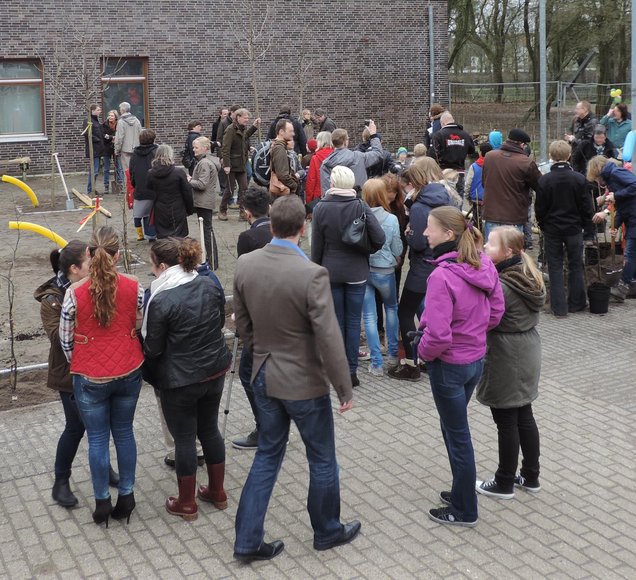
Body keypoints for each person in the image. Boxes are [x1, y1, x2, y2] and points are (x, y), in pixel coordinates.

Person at [233, 195, 359, 562]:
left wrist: (260, 353)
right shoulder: (312, 274)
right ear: (304, 228)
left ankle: (246, 541)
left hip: (263, 374)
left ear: (270, 226)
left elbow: (243, 325)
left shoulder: (245, 264)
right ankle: (327, 530)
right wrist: (343, 387)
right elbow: (329, 336)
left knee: (268, 455)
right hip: (302, 381)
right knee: (321, 457)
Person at [417, 206, 505, 527]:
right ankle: (460, 491)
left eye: (430, 228)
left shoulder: (442, 276)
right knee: (452, 428)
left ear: (448, 235)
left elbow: (438, 335)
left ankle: (465, 509)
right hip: (475, 362)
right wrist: (475, 333)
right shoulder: (483, 263)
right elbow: (496, 311)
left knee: (457, 436)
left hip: (450, 366)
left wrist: (422, 352)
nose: (425, 233)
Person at [60, 226, 145, 527]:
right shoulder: (135, 286)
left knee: (97, 439)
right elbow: (139, 324)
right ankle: (127, 494)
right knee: (124, 432)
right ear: (118, 254)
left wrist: (81, 361)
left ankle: (101, 502)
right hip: (128, 368)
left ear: (89, 254)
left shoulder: (74, 292)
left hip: (91, 375)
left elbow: (66, 339)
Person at [142, 238, 231, 521]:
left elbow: (153, 348)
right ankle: (217, 492)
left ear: (163, 266)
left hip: (179, 380)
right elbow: (218, 323)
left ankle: (186, 502)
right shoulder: (208, 284)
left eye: (152, 264)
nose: (151, 269)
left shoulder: (161, 299)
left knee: (183, 439)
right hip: (214, 370)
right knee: (210, 430)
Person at [35, 241, 119, 508]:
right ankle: (61, 481)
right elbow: (57, 338)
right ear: (74, 268)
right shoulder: (52, 299)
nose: (95, 268)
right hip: (68, 374)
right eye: (90, 264)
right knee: (76, 427)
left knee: (101, 423)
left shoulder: (90, 287)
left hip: (95, 369)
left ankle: (103, 468)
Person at [476, 226, 545, 499]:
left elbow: (484, 318)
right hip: (526, 349)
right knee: (524, 415)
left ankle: (504, 481)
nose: (484, 249)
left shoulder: (502, 285)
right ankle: (530, 476)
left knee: (506, 419)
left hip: (507, 354)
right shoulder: (527, 274)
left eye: (490, 245)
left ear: (508, 252)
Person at [311, 166, 385, 387]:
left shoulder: (321, 208)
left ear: (332, 183)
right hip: (356, 272)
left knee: (337, 322)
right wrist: (364, 251)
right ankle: (351, 372)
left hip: (331, 271)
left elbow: (317, 247)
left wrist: (316, 272)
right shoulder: (360, 206)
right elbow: (379, 238)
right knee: (354, 322)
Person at [389, 159, 452, 381]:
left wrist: (408, 233)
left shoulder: (419, 207)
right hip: (444, 264)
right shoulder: (448, 199)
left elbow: (417, 242)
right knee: (429, 313)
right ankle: (429, 356)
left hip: (421, 268)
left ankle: (411, 364)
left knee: (405, 312)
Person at [232, 187, 273, 451]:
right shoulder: (282, 230)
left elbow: (243, 279)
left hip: (259, 314)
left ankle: (266, 427)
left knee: (248, 372)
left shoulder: (248, 237)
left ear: (247, 212)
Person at [535, 140, 594, 316]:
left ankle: (559, 307)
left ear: (551, 157)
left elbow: (539, 208)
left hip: (552, 228)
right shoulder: (579, 179)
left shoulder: (544, 180)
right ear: (569, 156)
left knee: (554, 266)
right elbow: (587, 207)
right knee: (576, 265)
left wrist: (544, 224)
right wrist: (586, 226)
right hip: (573, 228)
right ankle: (577, 303)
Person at [361, 178, 403, 375]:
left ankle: (376, 363)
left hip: (364, 269)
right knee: (391, 309)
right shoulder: (391, 219)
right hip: (385, 269)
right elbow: (397, 248)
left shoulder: (359, 217)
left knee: (369, 316)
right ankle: (393, 355)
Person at [587, 155, 636, 301]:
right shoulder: (612, 176)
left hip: (634, 218)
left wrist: (616, 195)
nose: (597, 181)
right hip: (631, 217)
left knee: (631, 253)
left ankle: (623, 287)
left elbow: (634, 186)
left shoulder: (616, 173)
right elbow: (623, 204)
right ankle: (631, 283)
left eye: (596, 178)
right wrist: (614, 225)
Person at [481, 128, 542, 240]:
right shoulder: (526, 162)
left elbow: (484, 182)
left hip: (492, 214)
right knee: (512, 253)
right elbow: (541, 187)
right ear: (522, 145)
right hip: (514, 217)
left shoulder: (489, 157)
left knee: (492, 252)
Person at [319, 120, 384, 193]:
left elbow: (326, 190)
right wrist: (373, 135)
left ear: (332, 143)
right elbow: (378, 154)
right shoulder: (358, 157)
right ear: (345, 141)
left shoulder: (326, 164)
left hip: (337, 201)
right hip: (358, 199)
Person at [219, 108, 260, 221]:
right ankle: (222, 210)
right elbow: (225, 148)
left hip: (241, 164)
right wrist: (226, 165)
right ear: (238, 117)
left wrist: (254, 126)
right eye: (245, 118)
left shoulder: (242, 128)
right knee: (230, 190)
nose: (247, 120)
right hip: (232, 165)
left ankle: (242, 211)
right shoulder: (230, 129)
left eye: (248, 118)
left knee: (244, 189)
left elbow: (245, 137)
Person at [147, 145, 194, 238]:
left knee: (164, 240)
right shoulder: (179, 172)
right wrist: (190, 209)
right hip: (178, 208)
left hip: (160, 209)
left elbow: (149, 190)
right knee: (178, 239)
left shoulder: (151, 173)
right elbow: (187, 193)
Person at [188, 136, 221, 268]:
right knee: (207, 230)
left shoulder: (204, 163)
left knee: (207, 231)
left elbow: (202, 184)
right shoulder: (204, 162)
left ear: (204, 148)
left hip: (204, 201)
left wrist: (189, 180)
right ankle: (212, 260)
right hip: (205, 200)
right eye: (193, 147)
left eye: (196, 147)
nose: (193, 149)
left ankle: (212, 261)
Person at [426, 111, 475, 200]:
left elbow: (433, 154)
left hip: (444, 172)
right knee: (459, 199)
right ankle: (457, 213)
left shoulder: (438, 135)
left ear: (443, 123)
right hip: (460, 172)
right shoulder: (465, 134)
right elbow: (472, 150)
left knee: (444, 198)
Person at [129, 128, 158, 242]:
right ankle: (151, 234)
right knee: (152, 211)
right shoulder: (156, 152)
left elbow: (132, 171)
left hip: (140, 188)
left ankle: (145, 234)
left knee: (143, 212)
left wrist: (134, 183)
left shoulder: (135, 154)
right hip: (154, 188)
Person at [465, 142, 492, 228]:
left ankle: (477, 235)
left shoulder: (474, 166)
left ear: (480, 152)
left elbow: (468, 184)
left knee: (476, 220)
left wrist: (467, 196)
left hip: (476, 198)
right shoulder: (494, 166)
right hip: (490, 198)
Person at [270, 119, 300, 196]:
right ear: (281, 132)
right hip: (282, 192)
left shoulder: (276, 145)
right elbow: (282, 175)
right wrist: (294, 185)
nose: (293, 134)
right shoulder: (280, 148)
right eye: (290, 131)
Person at [305, 131, 334, 207]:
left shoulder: (315, 158)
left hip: (319, 195)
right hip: (336, 193)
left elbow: (311, 180)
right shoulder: (337, 156)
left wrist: (309, 200)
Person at [84, 104, 107, 194]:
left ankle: (92, 189)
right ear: (92, 111)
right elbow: (87, 134)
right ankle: (90, 190)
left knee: (96, 171)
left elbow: (101, 133)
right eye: (98, 110)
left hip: (99, 150)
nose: (99, 111)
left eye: (100, 110)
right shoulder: (88, 121)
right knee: (94, 171)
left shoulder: (97, 121)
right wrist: (97, 140)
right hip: (93, 150)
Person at [114, 101, 142, 172]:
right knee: (136, 170)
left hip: (125, 150)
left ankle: (128, 183)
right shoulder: (137, 120)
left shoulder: (121, 122)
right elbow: (141, 134)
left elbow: (119, 137)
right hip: (136, 149)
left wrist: (117, 150)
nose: (119, 110)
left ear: (123, 110)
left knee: (127, 171)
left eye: (120, 109)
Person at [103, 109, 124, 194]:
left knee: (119, 167)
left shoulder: (119, 124)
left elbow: (120, 135)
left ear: (116, 117)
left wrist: (111, 137)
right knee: (106, 168)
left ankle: (120, 184)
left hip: (117, 148)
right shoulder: (104, 124)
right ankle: (106, 186)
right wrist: (112, 137)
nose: (110, 117)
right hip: (107, 148)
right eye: (109, 115)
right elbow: (104, 136)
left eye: (112, 116)